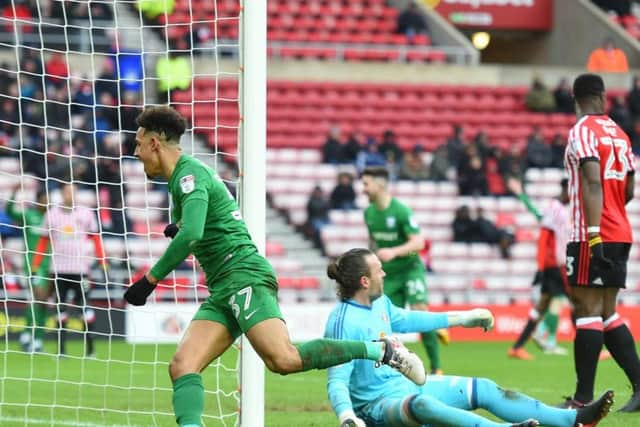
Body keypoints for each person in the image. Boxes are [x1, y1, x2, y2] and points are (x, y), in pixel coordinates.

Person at [123, 106, 427, 427]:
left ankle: (382, 350)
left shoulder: (189, 175)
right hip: (223, 285)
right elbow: (193, 224)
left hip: (243, 276)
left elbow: (192, 233)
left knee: (283, 359)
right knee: (183, 365)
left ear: (155, 143)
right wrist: (180, 228)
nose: (136, 153)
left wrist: (150, 280)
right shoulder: (181, 181)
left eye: (139, 144)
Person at [324, 248, 614, 427]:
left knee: (485, 389)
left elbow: (411, 319)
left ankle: (575, 420)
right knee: (422, 406)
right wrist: (347, 418)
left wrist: (465, 317)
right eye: (378, 271)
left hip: (408, 387)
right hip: (378, 409)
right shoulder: (342, 322)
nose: (384, 273)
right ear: (364, 281)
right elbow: (337, 380)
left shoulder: (379, 303)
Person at [562, 73, 640, 411]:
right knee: (608, 313)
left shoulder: (582, 131)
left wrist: (594, 234)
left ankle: (582, 399)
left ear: (576, 99)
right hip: (621, 230)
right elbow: (630, 189)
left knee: (586, 311)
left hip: (590, 232)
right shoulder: (621, 135)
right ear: (604, 97)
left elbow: (592, 181)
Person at [361, 166, 447, 375]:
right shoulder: (369, 213)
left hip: (410, 268)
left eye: (366, 184)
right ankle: (393, 367)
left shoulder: (401, 211)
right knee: (384, 321)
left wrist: (394, 251)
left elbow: (418, 242)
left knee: (419, 308)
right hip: (387, 275)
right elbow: (373, 242)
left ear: (380, 184)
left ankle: (436, 368)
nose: (363, 189)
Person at [31, 182, 107, 356]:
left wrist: (103, 263)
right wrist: (35, 265)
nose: (69, 195)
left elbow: (95, 238)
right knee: (60, 309)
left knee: (85, 308)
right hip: (58, 269)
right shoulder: (51, 214)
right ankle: (61, 350)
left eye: (72, 192)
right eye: (66, 191)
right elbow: (43, 241)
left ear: (76, 194)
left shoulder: (86, 213)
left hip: (81, 269)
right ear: (62, 193)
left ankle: (90, 350)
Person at [508, 178, 570, 360]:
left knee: (542, 306)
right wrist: (541, 267)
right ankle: (546, 337)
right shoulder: (556, 208)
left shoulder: (558, 209)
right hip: (554, 265)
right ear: (567, 189)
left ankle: (518, 346)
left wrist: (521, 194)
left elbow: (538, 215)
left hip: (554, 264)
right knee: (564, 301)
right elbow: (544, 237)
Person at [9, 184, 50, 353]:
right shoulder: (29, 215)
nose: (46, 203)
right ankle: (32, 337)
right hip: (33, 265)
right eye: (43, 200)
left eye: (48, 201)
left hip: (50, 267)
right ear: (37, 201)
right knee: (38, 298)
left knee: (42, 303)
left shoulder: (53, 218)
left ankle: (31, 336)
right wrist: (14, 192)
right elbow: (10, 211)